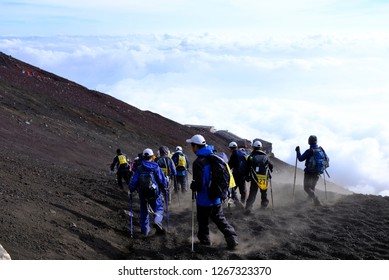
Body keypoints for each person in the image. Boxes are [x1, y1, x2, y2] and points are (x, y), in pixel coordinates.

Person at [187, 134, 238, 249]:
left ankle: (205, 241)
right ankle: (232, 237)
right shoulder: (215, 156)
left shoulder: (198, 162)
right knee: (219, 218)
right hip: (216, 196)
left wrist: (193, 186)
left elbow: (199, 184)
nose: (191, 148)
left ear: (195, 146)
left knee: (203, 220)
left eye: (192, 145)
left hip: (204, 199)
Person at [129, 148, 168, 236]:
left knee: (144, 211)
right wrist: (165, 188)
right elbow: (161, 180)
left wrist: (131, 189)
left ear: (143, 157)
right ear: (152, 156)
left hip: (143, 194)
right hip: (155, 194)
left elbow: (134, 182)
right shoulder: (156, 167)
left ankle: (145, 231)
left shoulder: (139, 168)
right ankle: (157, 221)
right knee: (158, 209)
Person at [245, 140, 273, 213]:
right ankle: (264, 205)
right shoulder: (265, 156)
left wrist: (247, 176)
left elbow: (247, 167)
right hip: (263, 177)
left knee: (253, 192)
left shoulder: (251, 156)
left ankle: (249, 207)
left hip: (255, 177)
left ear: (253, 147)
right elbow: (271, 165)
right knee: (263, 191)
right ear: (260, 147)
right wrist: (270, 172)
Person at [295, 135, 323, 206]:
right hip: (317, 172)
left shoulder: (309, 151)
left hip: (309, 172)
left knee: (306, 188)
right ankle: (309, 199)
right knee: (312, 187)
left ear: (309, 142)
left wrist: (298, 151)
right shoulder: (320, 150)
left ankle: (316, 199)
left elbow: (300, 159)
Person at [228, 141, 248, 207]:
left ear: (231, 148)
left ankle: (237, 203)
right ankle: (243, 203)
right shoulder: (243, 153)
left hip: (236, 175)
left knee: (232, 189)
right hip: (243, 175)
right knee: (243, 191)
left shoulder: (234, 154)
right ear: (236, 147)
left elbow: (229, 165)